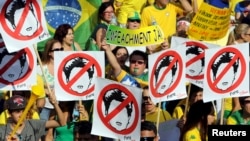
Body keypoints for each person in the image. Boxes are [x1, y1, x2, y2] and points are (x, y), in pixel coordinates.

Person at [0, 93, 64, 141]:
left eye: (24, 111)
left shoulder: (33, 124)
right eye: (17, 111)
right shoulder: (3, 130)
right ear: (9, 113)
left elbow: (62, 123)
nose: (21, 115)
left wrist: (55, 104)